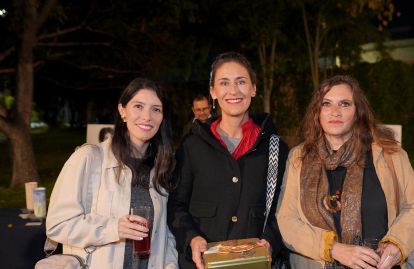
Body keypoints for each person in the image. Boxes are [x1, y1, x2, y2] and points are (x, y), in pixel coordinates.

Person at [276, 75, 414, 269]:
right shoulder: (299, 157)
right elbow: (287, 221)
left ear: (358, 112)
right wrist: (334, 249)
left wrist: (396, 245)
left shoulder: (391, 154)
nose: (335, 112)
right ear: (317, 112)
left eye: (345, 104)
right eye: (326, 104)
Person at [167, 52, 289, 269]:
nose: (233, 91)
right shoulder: (192, 146)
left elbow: (286, 209)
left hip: (254, 264)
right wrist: (192, 238)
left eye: (241, 82)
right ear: (213, 92)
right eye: (224, 83)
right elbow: (176, 205)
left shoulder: (276, 148)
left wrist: (271, 241)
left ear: (253, 88)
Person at [46, 78, 178, 269]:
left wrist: (170, 265)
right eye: (138, 106)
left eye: (156, 109)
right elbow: (58, 224)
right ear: (122, 110)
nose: (147, 116)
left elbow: (164, 233)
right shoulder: (88, 158)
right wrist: (113, 228)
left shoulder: (162, 167)